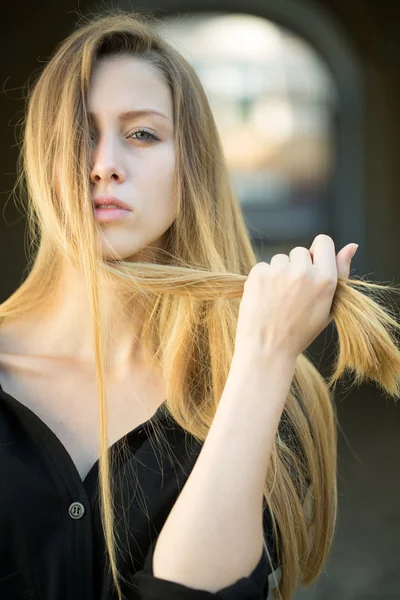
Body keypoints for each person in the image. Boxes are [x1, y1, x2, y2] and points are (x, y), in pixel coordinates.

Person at [1, 10, 400, 600]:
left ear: (191, 166)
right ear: (41, 159)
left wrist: (264, 357)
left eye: (142, 134)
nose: (103, 163)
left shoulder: (257, 392)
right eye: (78, 133)